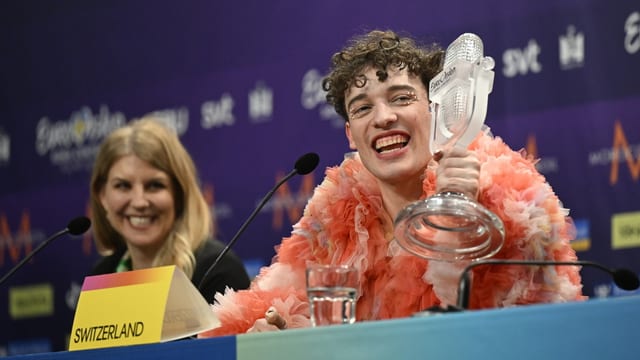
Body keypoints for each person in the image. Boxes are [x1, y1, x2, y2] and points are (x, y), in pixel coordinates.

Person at [199, 29, 584, 336]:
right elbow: (261, 310)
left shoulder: (508, 193)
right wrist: (274, 330)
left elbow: (544, 333)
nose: (382, 117)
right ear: (351, 135)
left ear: (434, 111)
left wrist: (461, 222)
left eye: (400, 98)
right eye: (363, 108)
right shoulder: (334, 213)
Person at [88, 117, 251, 303]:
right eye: (123, 186)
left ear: (179, 194)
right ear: (102, 195)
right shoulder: (101, 276)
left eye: (154, 185)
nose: (139, 202)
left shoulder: (216, 269)